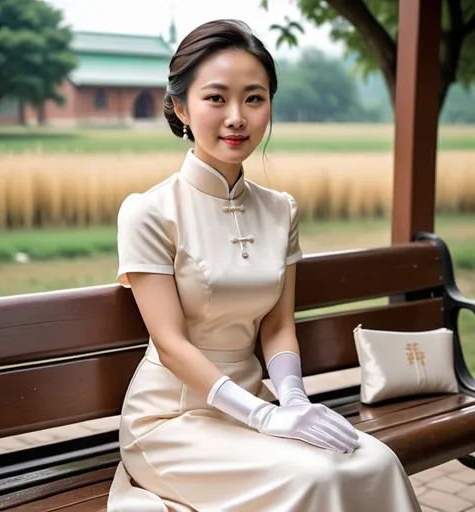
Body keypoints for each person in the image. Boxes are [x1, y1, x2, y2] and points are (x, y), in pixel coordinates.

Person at [107, 19, 421, 512]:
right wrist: (264, 417)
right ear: (180, 107)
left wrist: (292, 399)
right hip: (172, 420)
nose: (237, 117)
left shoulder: (280, 210)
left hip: (255, 409)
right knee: (316, 478)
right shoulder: (149, 211)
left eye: (254, 98)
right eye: (216, 98)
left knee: (374, 462)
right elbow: (170, 345)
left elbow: (277, 325)